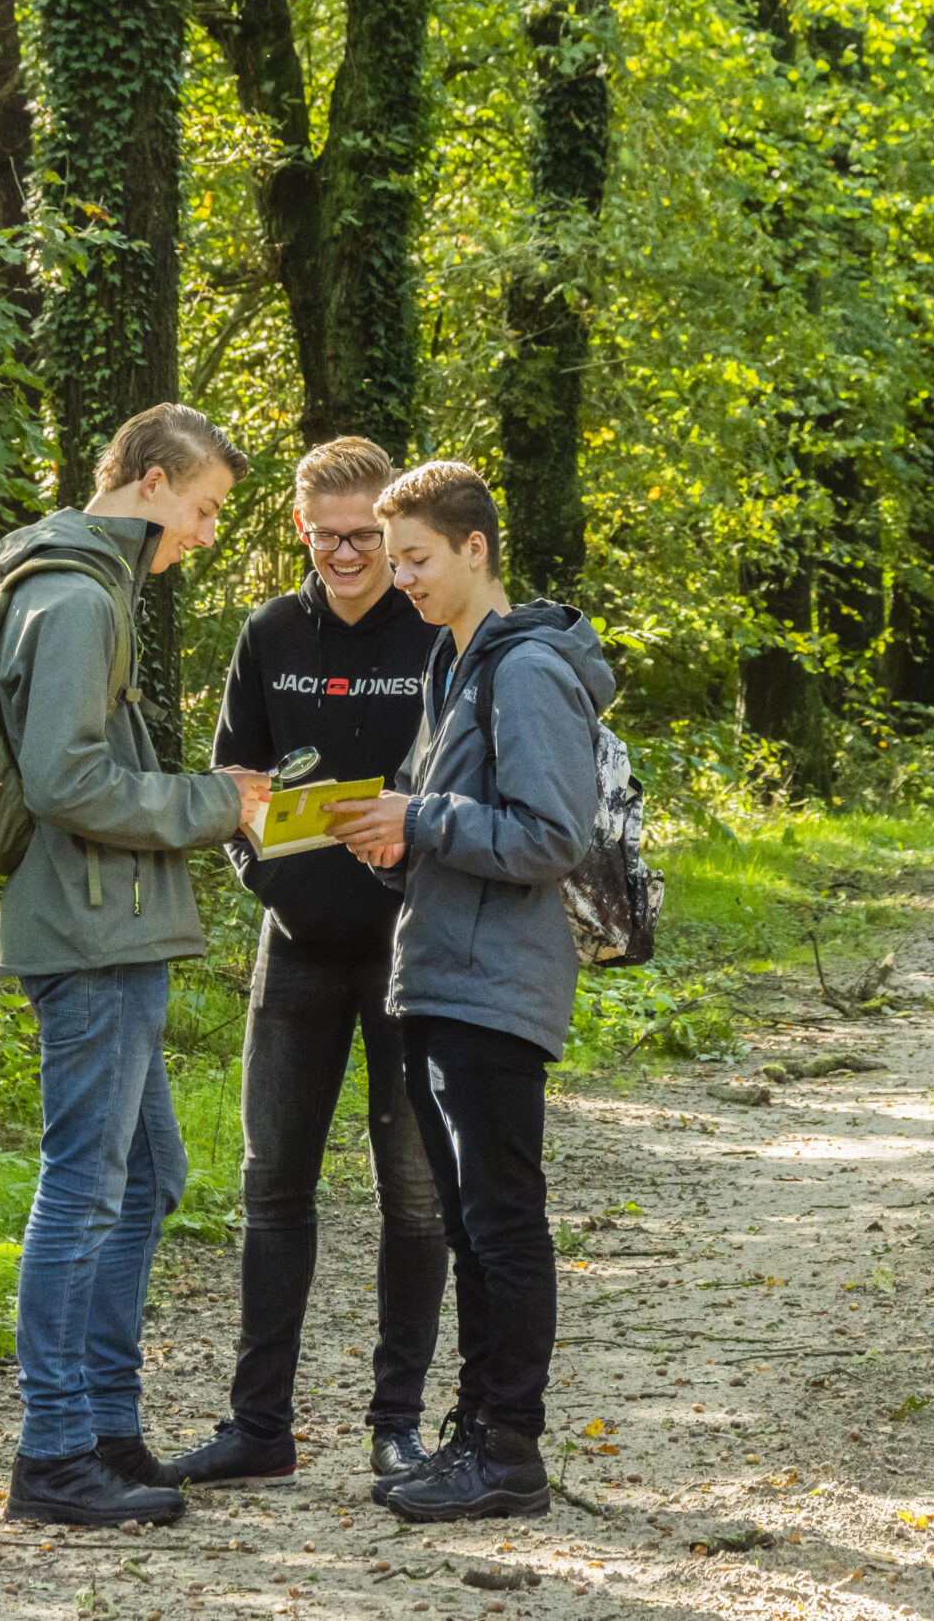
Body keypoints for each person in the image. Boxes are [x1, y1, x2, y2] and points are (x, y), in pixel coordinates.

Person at [0, 403, 273, 1528]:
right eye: (203, 508)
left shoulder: (84, 587)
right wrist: (218, 802)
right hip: (90, 935)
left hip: (115, 928)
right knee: (85, 1188)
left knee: (147, 1182)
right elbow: (62, 782)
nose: (206, 533)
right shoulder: (69, 598)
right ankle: (53, 1454)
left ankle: (104, 1427)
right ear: (151, 482)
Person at [324, 460, 613, 1522]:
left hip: (497, 988)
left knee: (502, 1225)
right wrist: (392, 842)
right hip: (440, 973)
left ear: (473, 549)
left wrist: (422, 822)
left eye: (413, 559)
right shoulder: (455, 666)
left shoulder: (525, 672)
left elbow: (551, 836)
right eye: (391, 560)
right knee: (467, 1225)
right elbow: (455, 823)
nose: (396, 578)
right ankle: (475, 1436)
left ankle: (510, 1454)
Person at [168, 438, 450, 1489]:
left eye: (364, 536)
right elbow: (228, 781)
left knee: (415, 1195)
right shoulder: (270, 631)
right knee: (271, 1186)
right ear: (298, 529)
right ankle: (259, 1426)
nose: (345, 553)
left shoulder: (435, 633)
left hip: (410, 952)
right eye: (325, 535)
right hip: (293, 949)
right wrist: (263, 878)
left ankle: (397, 1424)